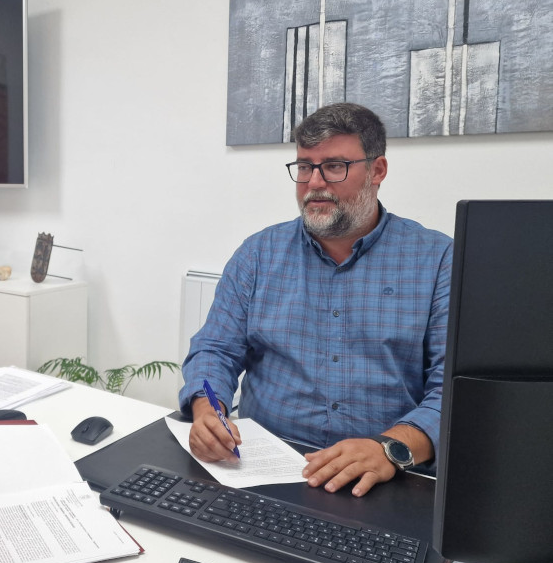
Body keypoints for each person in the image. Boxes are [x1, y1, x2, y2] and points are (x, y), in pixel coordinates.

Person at [179, 103, 452, 497]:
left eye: (334, 166)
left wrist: (389, 448)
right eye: (305, 167)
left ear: (377, 171)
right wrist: (208, 409)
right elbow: (214, 350)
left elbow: (451, 392)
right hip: (263, 467)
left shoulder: (438, 260)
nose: (314, 183)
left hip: (385, 476)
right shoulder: (258, 254)